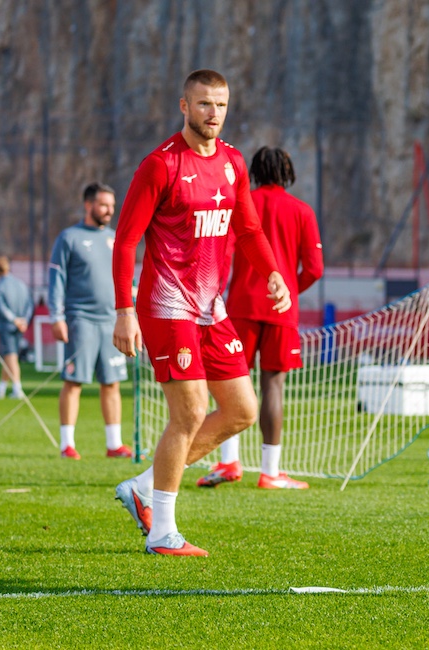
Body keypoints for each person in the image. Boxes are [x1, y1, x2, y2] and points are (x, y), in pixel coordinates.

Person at [111, 69, 290, 557]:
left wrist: (273, 272)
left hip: (212, 307)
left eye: (222, 105)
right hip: (167, 306)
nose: (214, 114)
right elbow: (126, 240)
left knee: (241, 411)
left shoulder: (233, 162)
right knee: (188, 411)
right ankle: (162, 532)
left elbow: (249, 231)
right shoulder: (160, 166)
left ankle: (144, 486)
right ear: (184, 106)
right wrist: (124, 309)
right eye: (205, 105)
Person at [198, 146, 323, 490]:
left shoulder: (242, 203)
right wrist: (288, 292)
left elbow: (222, 251)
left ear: (253, 171)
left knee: (229, 382)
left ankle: (228, 462)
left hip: (239, 306)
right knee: (273, 385)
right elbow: (314, 268)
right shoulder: (302, 211)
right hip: (281, 310)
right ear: (288, 172)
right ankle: (270, 472)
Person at [48, 183, 132, 460]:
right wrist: (57, 317)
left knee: (112, 383)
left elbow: (126, 279)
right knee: (74, 381)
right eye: (103, 205)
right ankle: (67, 445)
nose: (110, 210)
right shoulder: (69, 238)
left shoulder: (116, 238)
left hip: (112, 321)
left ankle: (114, 444)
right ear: (88, 205)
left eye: (112, 205)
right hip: (79, 320)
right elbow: (56, 280)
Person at [0, 255, 32, 399]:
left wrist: (15, 320)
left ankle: (17, 388)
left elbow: (2, 308)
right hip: (20, 326)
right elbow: (29, 305)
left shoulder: (0, 286)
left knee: (11, 356)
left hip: (8, 326)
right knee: (9, 356)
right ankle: (2, 387)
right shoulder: (21, 284)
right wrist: (24, 320)